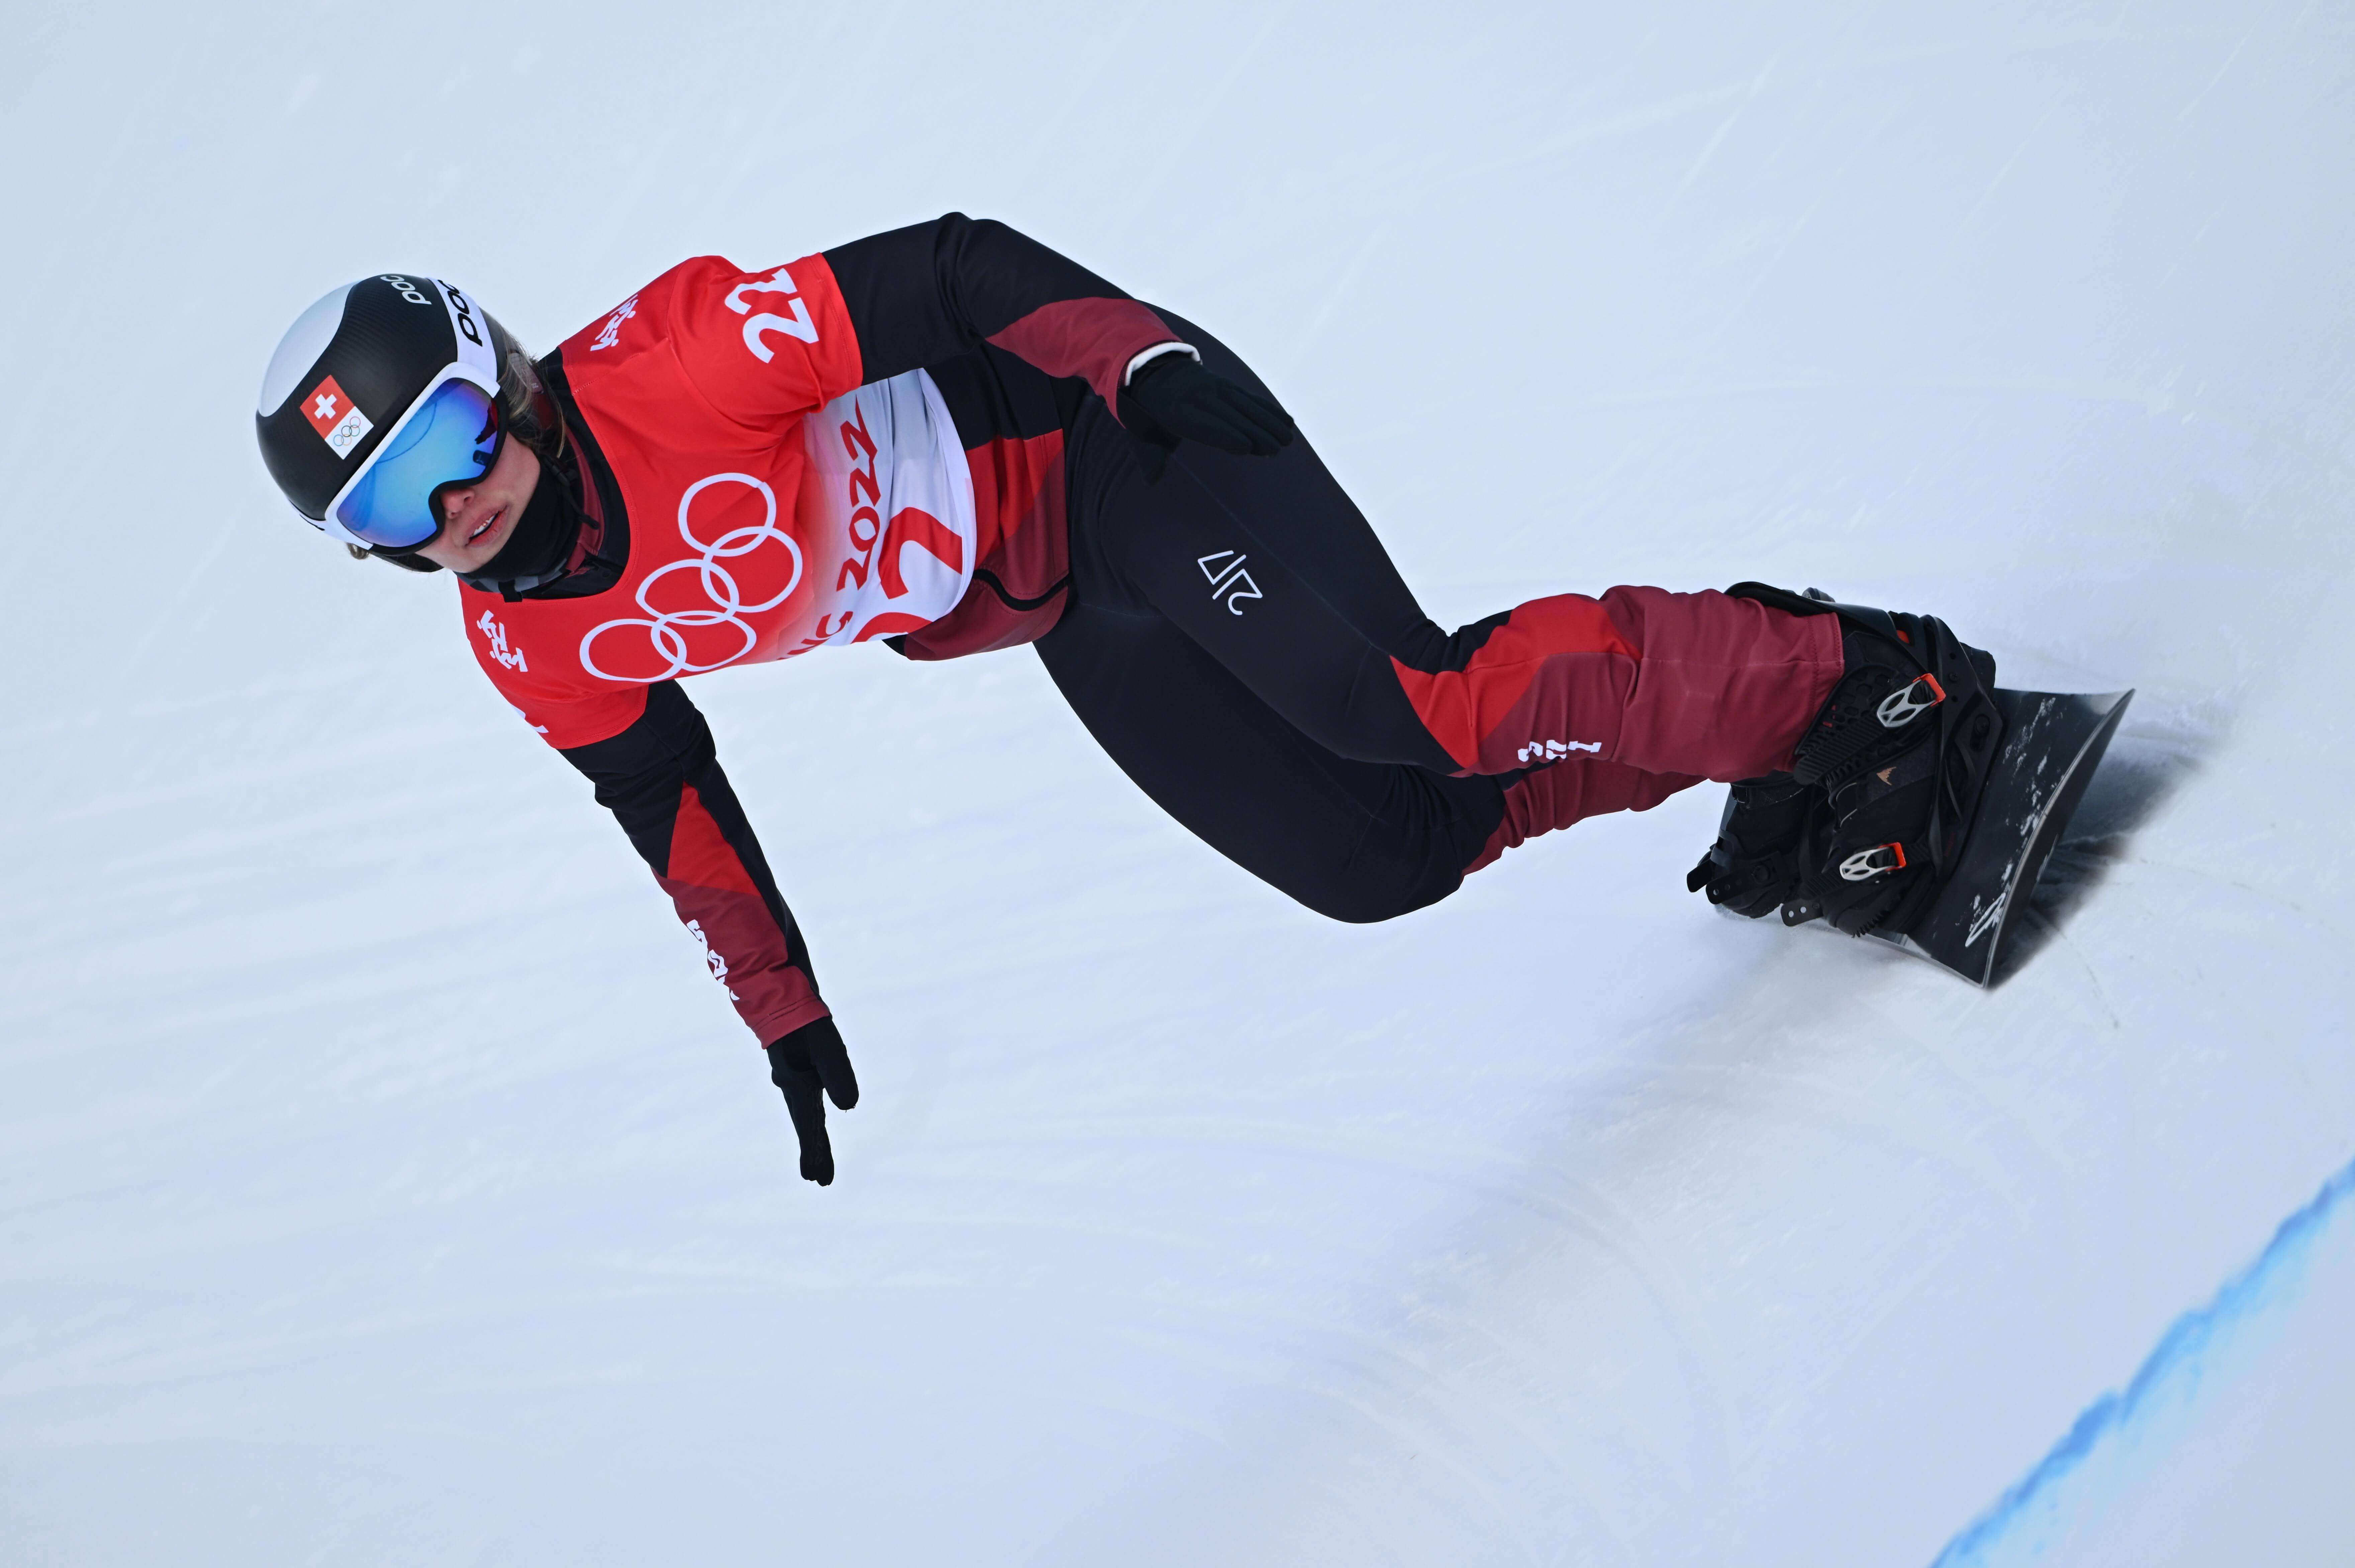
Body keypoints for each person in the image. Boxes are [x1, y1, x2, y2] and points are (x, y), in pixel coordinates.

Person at [255, 216, 2000, 1186]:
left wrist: (1135, 357)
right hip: (1069, 593)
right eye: (397, 511)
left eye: (457, 442)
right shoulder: (524, 644)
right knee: (1382, 848)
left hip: (1123, 442)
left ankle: (1866, 688)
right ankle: (1765, 732)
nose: (457, 507)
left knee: (1422, 706)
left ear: (511, 374)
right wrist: (776, 1008)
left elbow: (946, 269)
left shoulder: (685, 369)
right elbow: (663, 794)